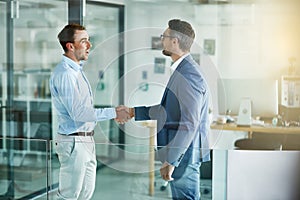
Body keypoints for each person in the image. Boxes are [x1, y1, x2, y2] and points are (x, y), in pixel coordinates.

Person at [128, 19, 211, 199]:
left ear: (175, 41)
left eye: (164, 37)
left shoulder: (189, 74)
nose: (162, 40)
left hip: (184, 154)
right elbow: (168, 110)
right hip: (182, 152)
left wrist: (172, 159)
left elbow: (189, 123)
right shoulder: (183, 70)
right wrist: (134, 112)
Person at [49, 24, 130, 200]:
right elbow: (78, 113)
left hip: (86, 139)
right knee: (69, 195)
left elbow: (85, 110)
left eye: (89, 40)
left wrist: (113, 113)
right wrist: (114, 112)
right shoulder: (65, 74)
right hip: (73, 141)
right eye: (84, 41)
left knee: (86, 193)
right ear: (70, 46)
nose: (89, 45)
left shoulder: (77, 70)